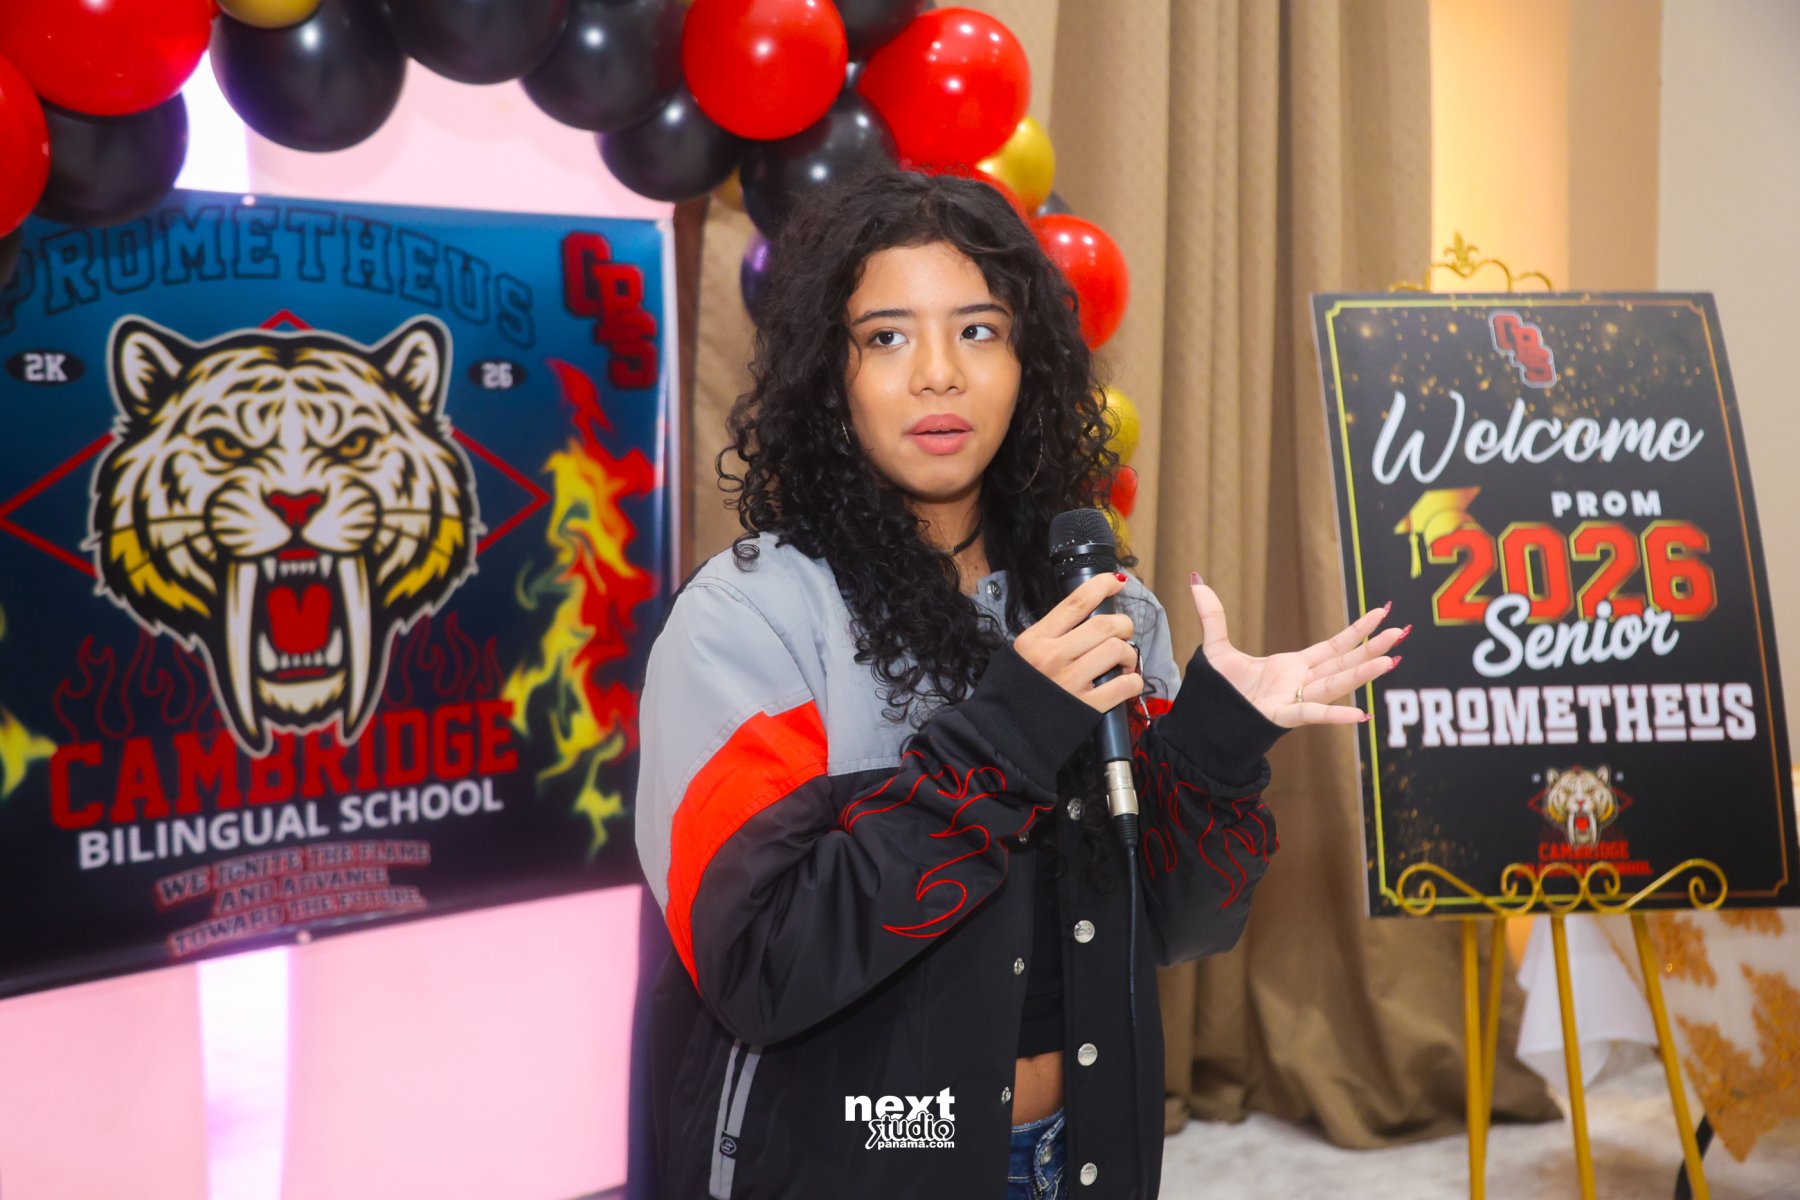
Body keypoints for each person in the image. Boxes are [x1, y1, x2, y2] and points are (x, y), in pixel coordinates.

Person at [633, 170, 1402, 1199]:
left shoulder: (1101, 607)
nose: (939, 374)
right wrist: (1010, 733)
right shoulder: (748, 618)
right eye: (887, 337)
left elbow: (1180, 925)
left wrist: (1219, 742)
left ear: (1028, 363)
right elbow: (762, 965)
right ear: (828, 374)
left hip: (1083, 1151)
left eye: (979, 331)